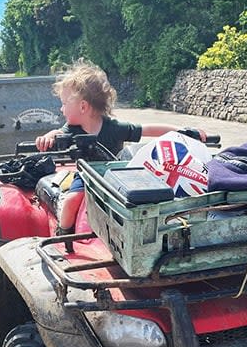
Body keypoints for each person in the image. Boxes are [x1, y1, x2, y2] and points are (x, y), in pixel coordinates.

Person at [35, 59, 193, 235]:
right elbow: (57, 132)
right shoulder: (71, 130)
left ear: (83, 106)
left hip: (120, 177)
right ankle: (64, 232)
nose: (61, 109)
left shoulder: (114, 127)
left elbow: (147, 129)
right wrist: (48, 137)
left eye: (64, 103)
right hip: (88, 177)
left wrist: (182, 131)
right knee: (72, 200)